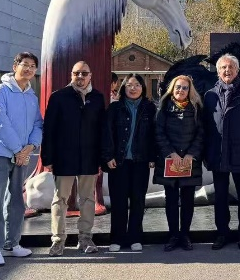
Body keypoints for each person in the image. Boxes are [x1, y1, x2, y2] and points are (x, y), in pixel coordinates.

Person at [0, 52, 43, 267]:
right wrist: (19, 150)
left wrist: (30, 147)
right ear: (15, 66)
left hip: (21, 156)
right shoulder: (0, 92)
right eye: (25, 65)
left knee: (16, 200)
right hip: (0, 153)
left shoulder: (31, 97)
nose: (29, 69)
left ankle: (12, 243)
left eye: (33, 66)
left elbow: (38, 125)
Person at [41, 61, 106, 257]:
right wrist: (48, 158)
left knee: (87, 199)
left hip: (89, 157)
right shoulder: (59, 97)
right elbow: (49, 130)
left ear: (90, 75)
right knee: (60, 199)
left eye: (84, 73)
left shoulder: (97, 98)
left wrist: (102, 158)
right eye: (76, 73)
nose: (80, 77)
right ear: (71, 75)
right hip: (64, 157)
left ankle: (85, 237)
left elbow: (102, 130)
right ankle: (58, 240)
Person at [202, 54, 240, 250]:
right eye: (223, 68)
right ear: (218, 71)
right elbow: (205, 127)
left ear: (237, 70)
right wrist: (206, 154)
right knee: (220, 197)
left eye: (230, 67)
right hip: (218, 155)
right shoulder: (210, 95)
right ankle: (222, 233)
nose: (227, 71)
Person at [102, 74, 156, 252]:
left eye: (137, 85)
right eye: (129, 85)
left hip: (140, 162)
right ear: (123, 88)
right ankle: (117, 239)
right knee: (118, 202)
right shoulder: (115, 108)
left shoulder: (149, 108)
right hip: (119, 162)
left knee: (138, 201)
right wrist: (108, 156)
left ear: (143, 87)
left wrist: (153, 157)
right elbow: (107, 134)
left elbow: (154, 135)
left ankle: (135, 237)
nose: (133, 88)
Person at [154, 75, 204, 252]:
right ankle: (173, 235)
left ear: (190, 90)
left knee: (188, 200)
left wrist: (191, 154)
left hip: (189, 162)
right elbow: (159, 133)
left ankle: (185, 235)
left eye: (184, 88)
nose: (180, 90)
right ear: (172, 89)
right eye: (178, 87)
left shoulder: (197, 108)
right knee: (171, 200)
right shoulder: (164, 107)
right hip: (169, 161)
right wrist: (171, 153)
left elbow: (201, 133)